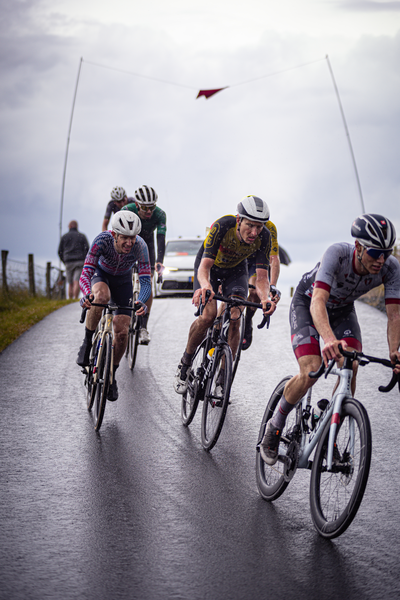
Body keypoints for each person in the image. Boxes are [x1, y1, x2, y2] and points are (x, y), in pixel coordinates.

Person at [260, 213, 400, 465]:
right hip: (308, 301)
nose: (381, 260)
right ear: (358, 247)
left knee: (352, 364)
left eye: (386, 253)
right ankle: (275, 424)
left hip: (343, 310)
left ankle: (328, 423)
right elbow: (318, 301)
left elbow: (395, 315)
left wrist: (394, 352)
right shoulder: (337, 254)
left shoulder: (391, 269)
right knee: (312, 369)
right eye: (375, 252)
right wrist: (328, 339)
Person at [173, 195, 277, 395]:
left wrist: (265, 298)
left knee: (236, 314)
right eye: (250, 225)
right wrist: (205, 286)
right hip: (210, 269)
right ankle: (185, 365)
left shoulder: (264, 237)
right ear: (239, 220)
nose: (255, 232)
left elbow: (262, 277)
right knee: (208, 316)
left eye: (260, 227)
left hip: (236, 271)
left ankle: (222, 379)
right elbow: (204, 267)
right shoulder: (223, 226)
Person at [76, 211, 151, 401]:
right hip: (101, 275)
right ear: (115, 235)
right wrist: (87, 294)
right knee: (101, 296)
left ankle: (111, 374)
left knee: (122, 331)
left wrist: (141, 300)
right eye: (124, 238)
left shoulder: (140, 246)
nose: (129, 243)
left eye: (132, 238)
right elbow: (86, 272)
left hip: (123, 280)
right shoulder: (102, 240)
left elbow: (145, 281)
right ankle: (87, 342)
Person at [122, 185, 167, 344]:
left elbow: (160, 238)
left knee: (147, 283)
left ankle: (143, 327)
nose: (149, 212)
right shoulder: (127, 209)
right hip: (129, 243)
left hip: (147, 246)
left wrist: (159, 262)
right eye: (145, 208)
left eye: (152, 207)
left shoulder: (160, 214)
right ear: (137, 205)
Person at [242, 218, 281, 350]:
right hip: (238, 258)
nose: (255, 231)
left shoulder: (269, 228)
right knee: (232, 295)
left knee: (254, 291)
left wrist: (272, 285)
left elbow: (274, 258)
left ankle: (247, 320)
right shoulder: (239, 224)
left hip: (256, 261)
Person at [58, 220, 90, 299]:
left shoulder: (64, 237)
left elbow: (59, 251)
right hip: (79, 261)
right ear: (76, 226)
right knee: (76, 280)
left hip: (68, 262)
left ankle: (70, 299)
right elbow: (88, 250)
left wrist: (64, 260)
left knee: (70, 282)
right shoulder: (82, 236)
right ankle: (75, 298)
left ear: (69, 226)